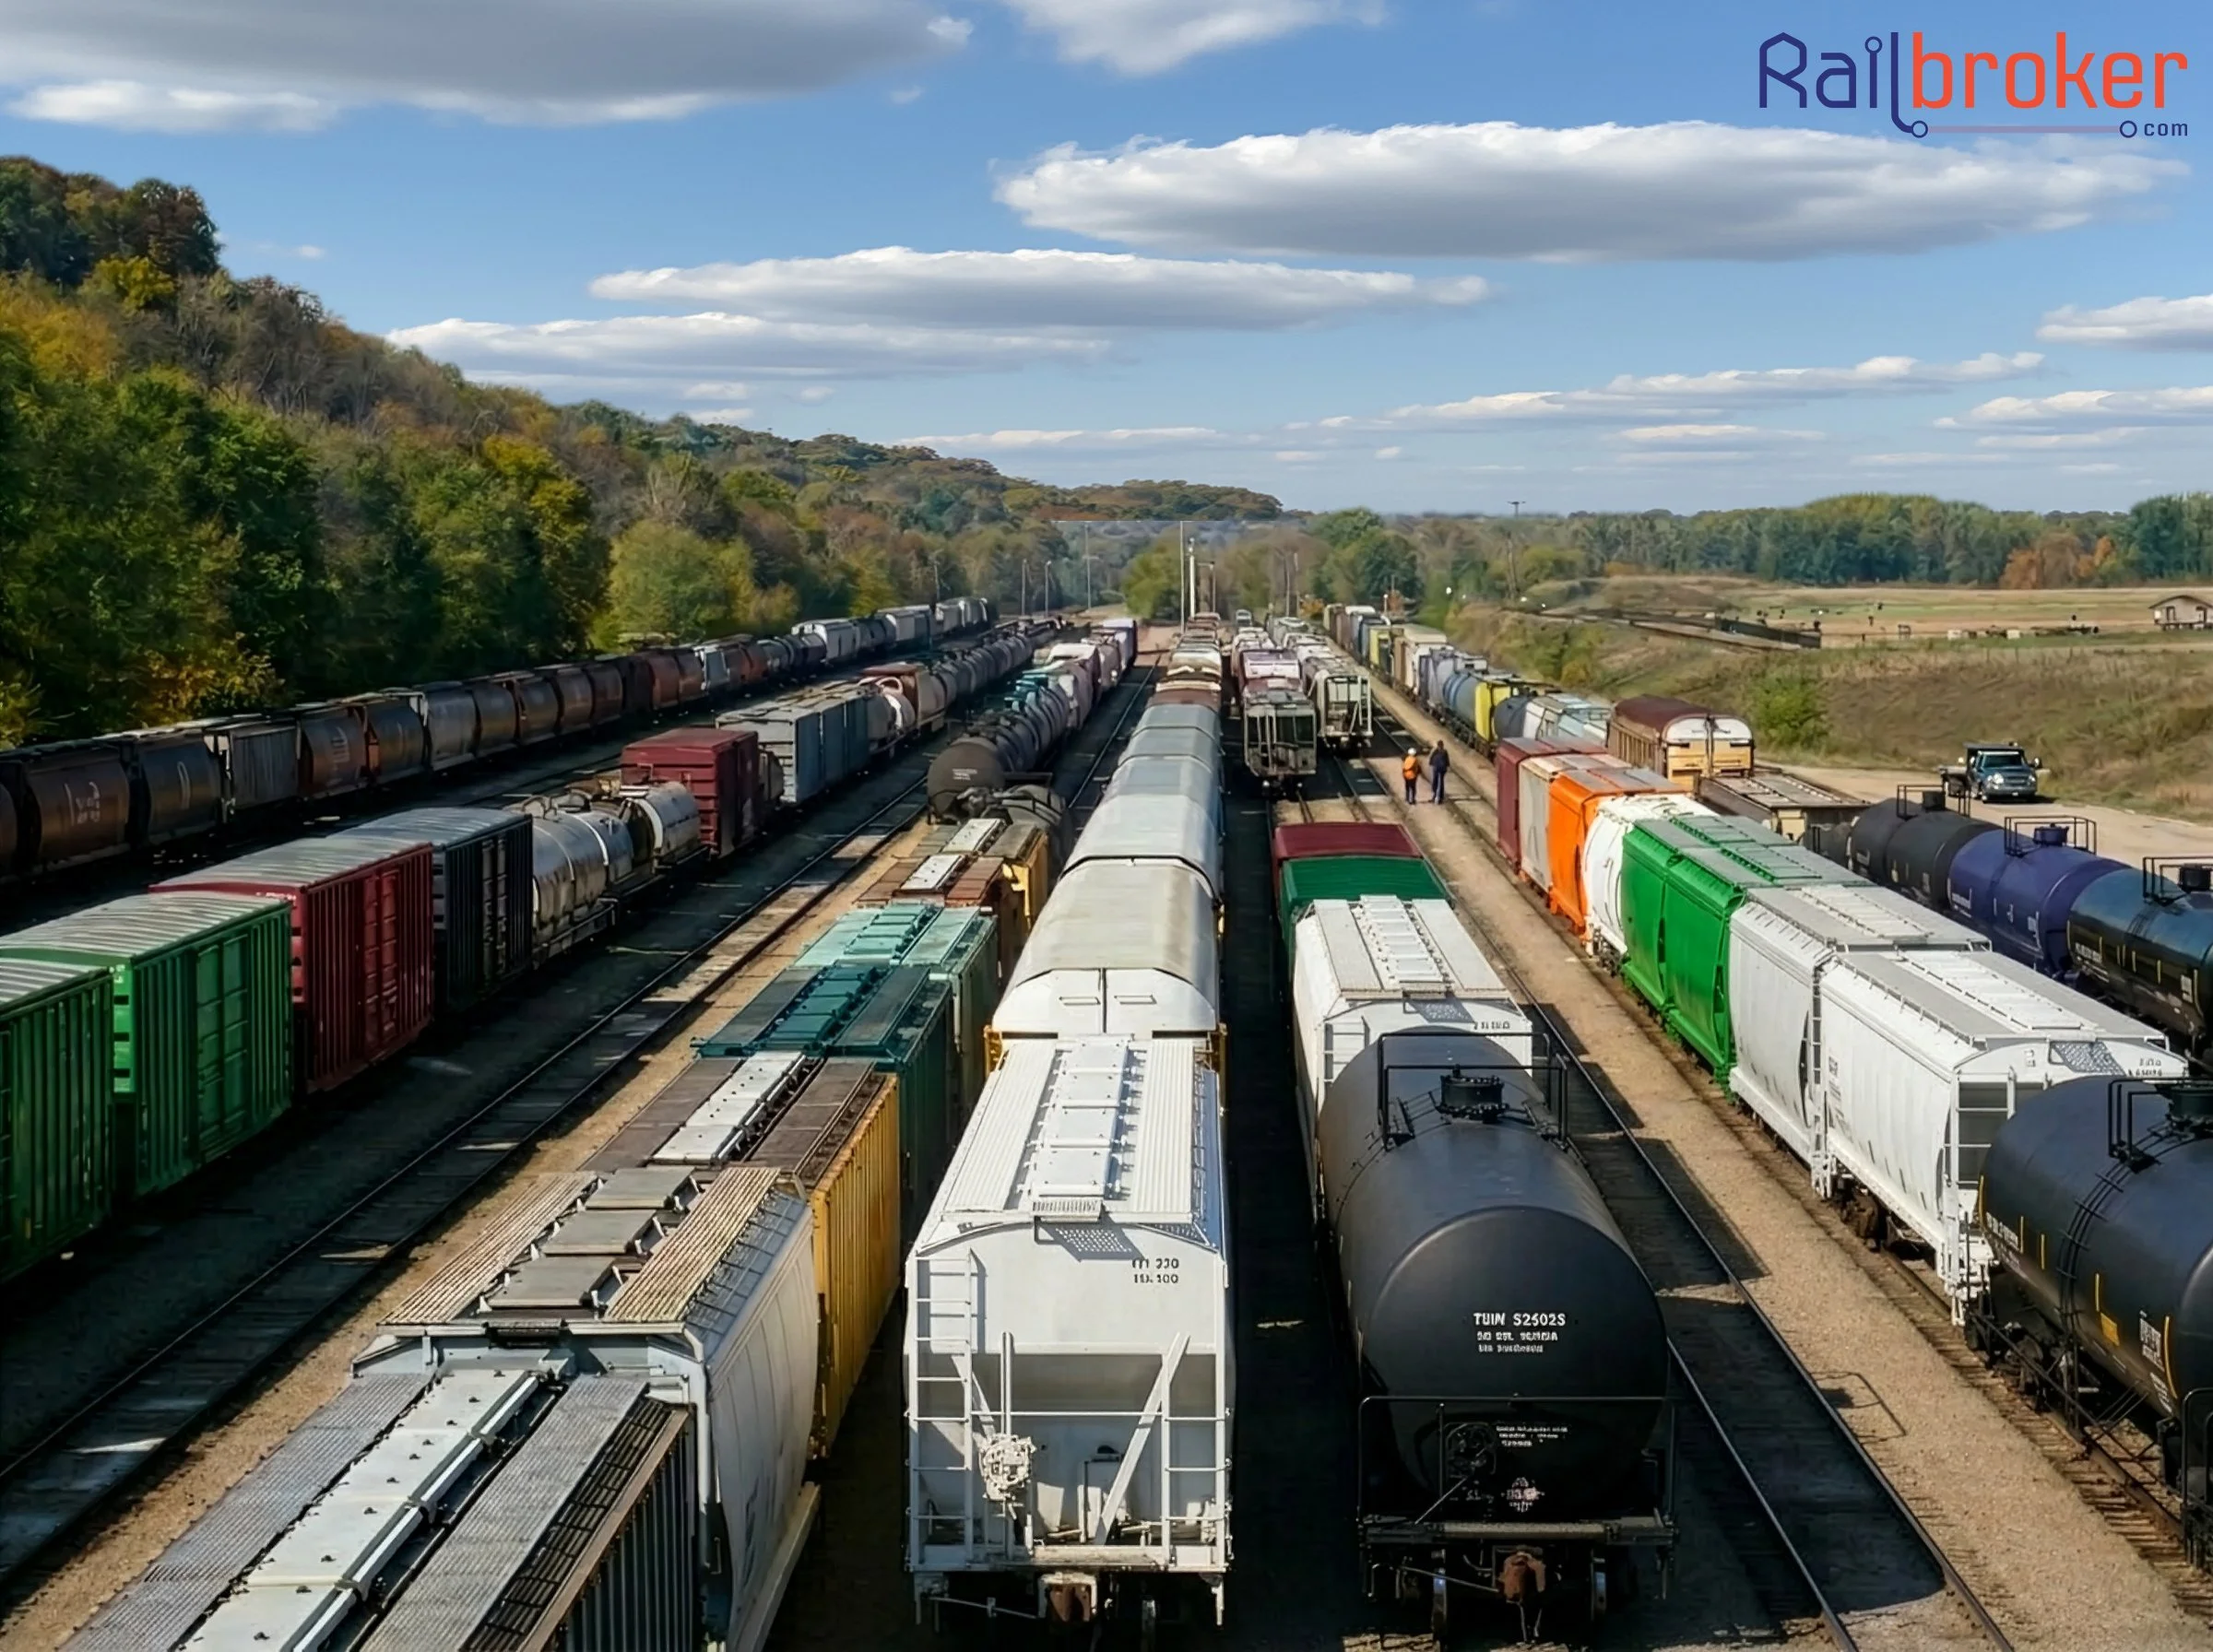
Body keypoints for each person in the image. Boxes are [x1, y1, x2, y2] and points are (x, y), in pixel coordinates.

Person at [1429, 739, 1450, 804]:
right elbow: (1447, 761)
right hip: (1442, 769)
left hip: (1437, 769)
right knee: (1440, 783)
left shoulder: (1436, 751)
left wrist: (1431, 764)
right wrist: (1447, 766)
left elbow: (1431, 759)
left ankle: (1436, 796)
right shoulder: (1444, 752)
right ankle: (1440, 797)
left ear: (1438, 745)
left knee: (1436, 783)